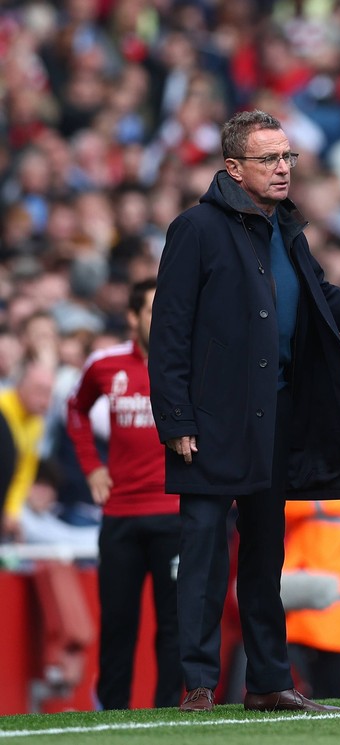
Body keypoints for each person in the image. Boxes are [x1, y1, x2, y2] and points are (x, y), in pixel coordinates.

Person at [148, 109, 340, 714]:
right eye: (269, 159)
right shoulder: (196, 228)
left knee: (265, 557)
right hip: (211, 424)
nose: (283, 169)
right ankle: (200, 686)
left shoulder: (286, 229)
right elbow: (169, 331)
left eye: (288, 158)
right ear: (234, 168)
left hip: (275, 419)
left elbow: (329, 302)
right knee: (204, 558)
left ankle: (269, 681)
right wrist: (176, 420)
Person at [66, 279, 183, 710]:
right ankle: (111, 715)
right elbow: (75, 409)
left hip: (175, 514)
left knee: (173, 626)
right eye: (154, 310)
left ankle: (171, 713)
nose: (164, 319)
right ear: (133, 318)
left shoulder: (191, 363)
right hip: (120, 516)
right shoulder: (104, 364)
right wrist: (92, 467)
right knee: (118, 624)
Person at [1, 359, 55, 539]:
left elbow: (24, 472)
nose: (46, 401)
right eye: (40, 391)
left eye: (49, 393)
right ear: (20, 386)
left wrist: (11, 510)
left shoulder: (36, 423)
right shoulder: (3, 410)